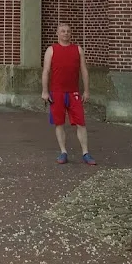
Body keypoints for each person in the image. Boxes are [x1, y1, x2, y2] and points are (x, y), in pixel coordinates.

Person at [41, 23, 97, 165]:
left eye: (68, 31)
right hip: (57, 93)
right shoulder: (51, 50)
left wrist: (86, 90)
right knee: (59, 123)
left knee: (81, 123)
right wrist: (45, 91)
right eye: (62, 31)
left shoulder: (77, 49)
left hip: (74, 93)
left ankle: (86, 153)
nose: (65, 33)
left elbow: (84, 70)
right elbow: (46, 71)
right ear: (57, 34)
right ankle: (63, 152)